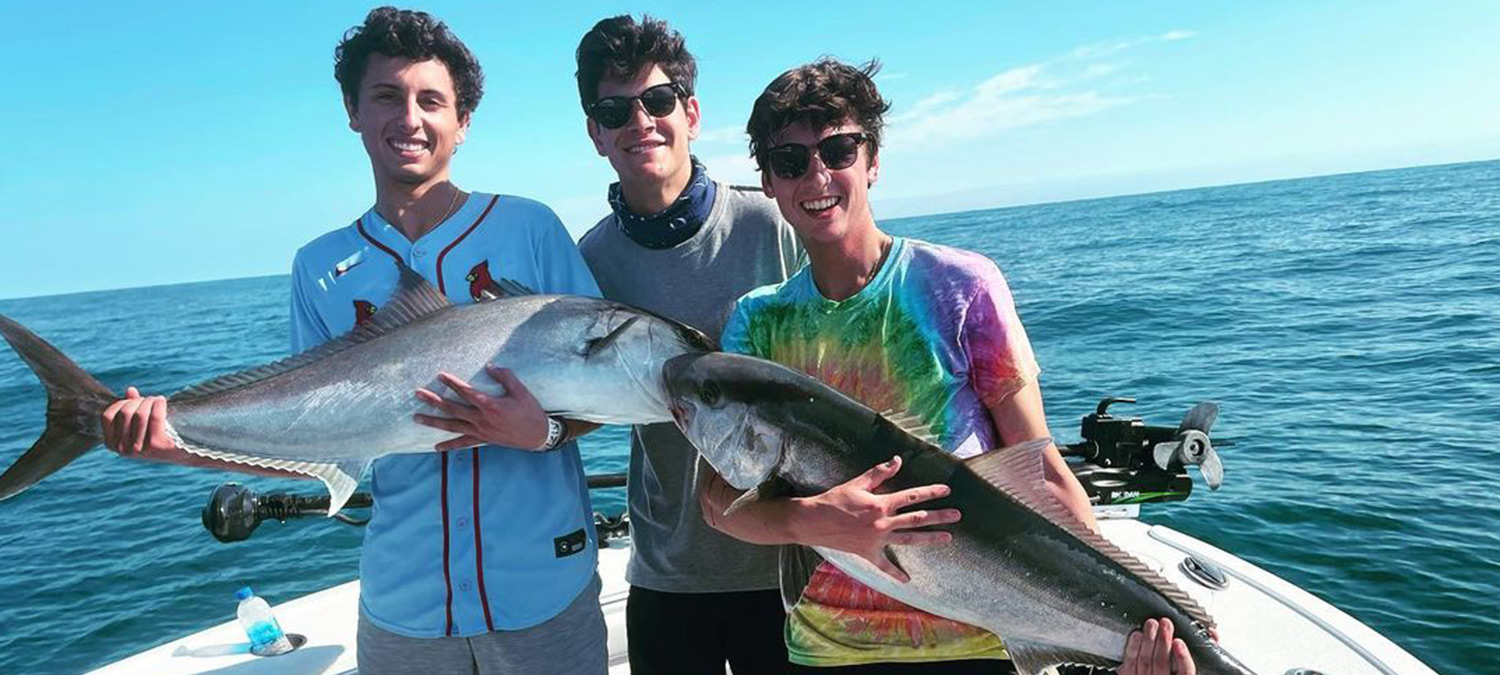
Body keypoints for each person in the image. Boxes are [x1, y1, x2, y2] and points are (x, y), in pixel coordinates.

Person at [99, 7, 607, 674]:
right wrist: (177, 445)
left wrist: (538, 431)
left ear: (464, 121)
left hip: (545, 592)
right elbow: (310, 436)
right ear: (352, 110)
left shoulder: (529, 229)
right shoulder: (319, 265)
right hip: (405, 607)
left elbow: (606, 386)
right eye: (387, 96)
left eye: (432, 100)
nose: (411, 118)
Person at [701, 58, 1200, 674]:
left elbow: (1039, 469)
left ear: (873, 160)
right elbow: (717, 503)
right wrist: (820, 521)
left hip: (982, 641)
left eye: (838, 149)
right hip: (827, 647)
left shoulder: (961, 285)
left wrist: (1147, 624)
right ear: (769, 183)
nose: (818, 174)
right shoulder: (757, 321)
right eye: (791, 161)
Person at [571, 15, 808, 674]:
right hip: (668, 573)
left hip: (790, 562)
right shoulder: (588, 263)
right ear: (596, 133)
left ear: (691, 112)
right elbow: (579, 402)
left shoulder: (772, 224)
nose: (640, 120)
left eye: (657, 100)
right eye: (614, 109)